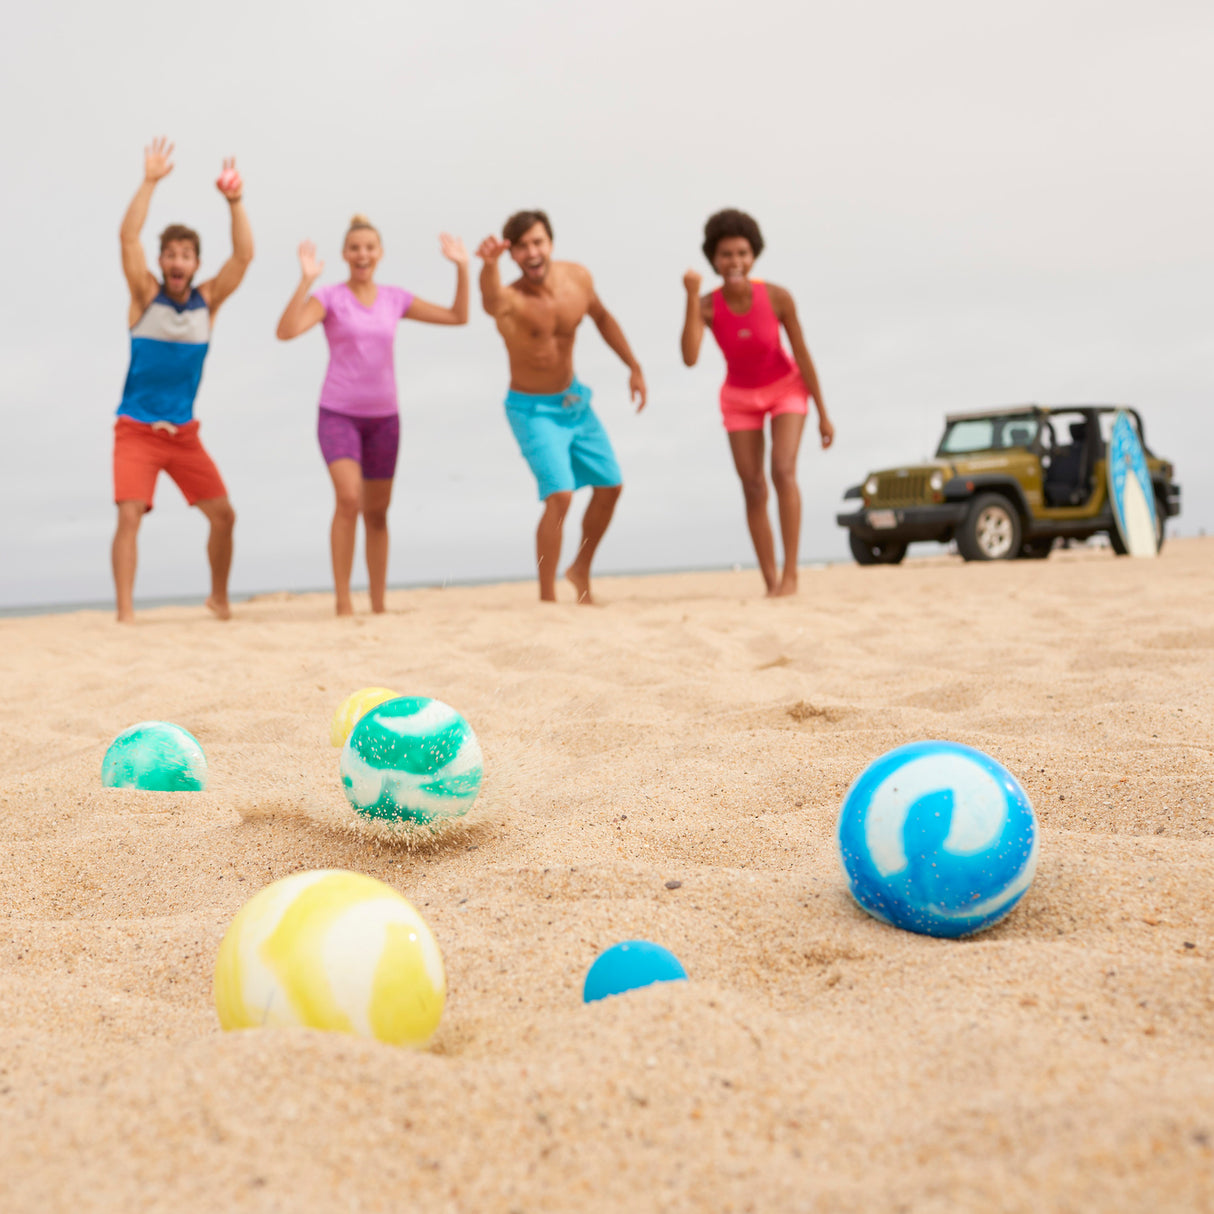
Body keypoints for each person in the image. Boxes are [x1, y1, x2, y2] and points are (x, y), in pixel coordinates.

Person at [276, 216, 469, 615]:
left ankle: (378, 605)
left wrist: (463, 268)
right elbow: (287, 331)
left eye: (369, 247)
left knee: (377, 513)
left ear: (379, 254)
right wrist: (305, 281)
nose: (362, 254)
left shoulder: (394, 298)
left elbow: (457, 317)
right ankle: (343, 602)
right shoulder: (330, 297)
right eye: (354, 248)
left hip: (385, 419)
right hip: (338, 415)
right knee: (349, 499)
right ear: (345, 254)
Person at [114, 136, 253, 623]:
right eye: (170, 254)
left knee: (224, 516)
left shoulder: (207, 303)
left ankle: (219, 598)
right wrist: (149, 181)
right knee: (130, 514)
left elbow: (244, 258)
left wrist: (235, 202)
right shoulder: (144, 295)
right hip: (135, 427)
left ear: (195, 264)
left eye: (186, 255)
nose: (177, 262)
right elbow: (128, 238)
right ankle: (126, 614)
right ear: (162, 262)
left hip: (184, 433)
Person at [477, 210, 646, 604]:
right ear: (512, 255)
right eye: (521, 247)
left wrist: (633, 366)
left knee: (610, 484)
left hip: (574, 402)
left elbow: (602, 318)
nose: (532, 252)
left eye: (537, 242)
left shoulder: (578, 279)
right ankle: (547, 597)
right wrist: (487, 266)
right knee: (561, 494)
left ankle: (580, 568)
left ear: (550, 243)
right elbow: (488, 301)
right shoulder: (510, 298)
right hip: (531, 410)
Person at [681, 208, 833, 597]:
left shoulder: (779, 297)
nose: (735, 262)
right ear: (713, 258)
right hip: (739, 398)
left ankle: (791, 576)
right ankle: (770, 581)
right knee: (752, 487)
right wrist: (689, 297)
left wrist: (823, 414)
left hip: (787, 388)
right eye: (726, 254)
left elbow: (803, 355)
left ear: (754, 255)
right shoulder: (706, 305)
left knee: (783, 471)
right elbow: (690, 357)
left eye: (742, 253)